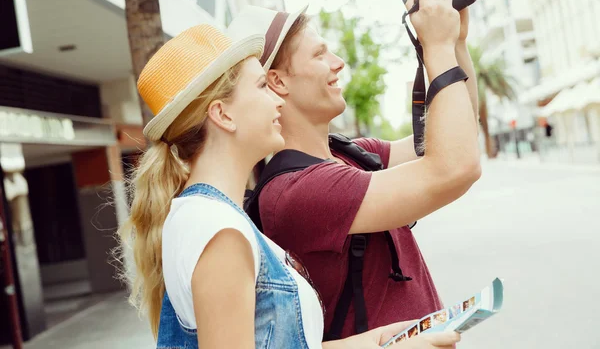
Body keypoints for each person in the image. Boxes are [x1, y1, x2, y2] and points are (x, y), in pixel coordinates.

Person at [118, 23, 462, 349]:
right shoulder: (219, 231)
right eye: (261, 87)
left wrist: (375, 342)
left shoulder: (207, 217)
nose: (278, 101)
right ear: (223, 115)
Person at [227, 0, 481, 339]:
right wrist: (437, 47)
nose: (338, 63)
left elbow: (459, 136)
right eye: (319, 55)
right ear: (278, 82)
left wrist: (454, 43)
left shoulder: (350, 156)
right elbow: (455, 168)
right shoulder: (296, 192)